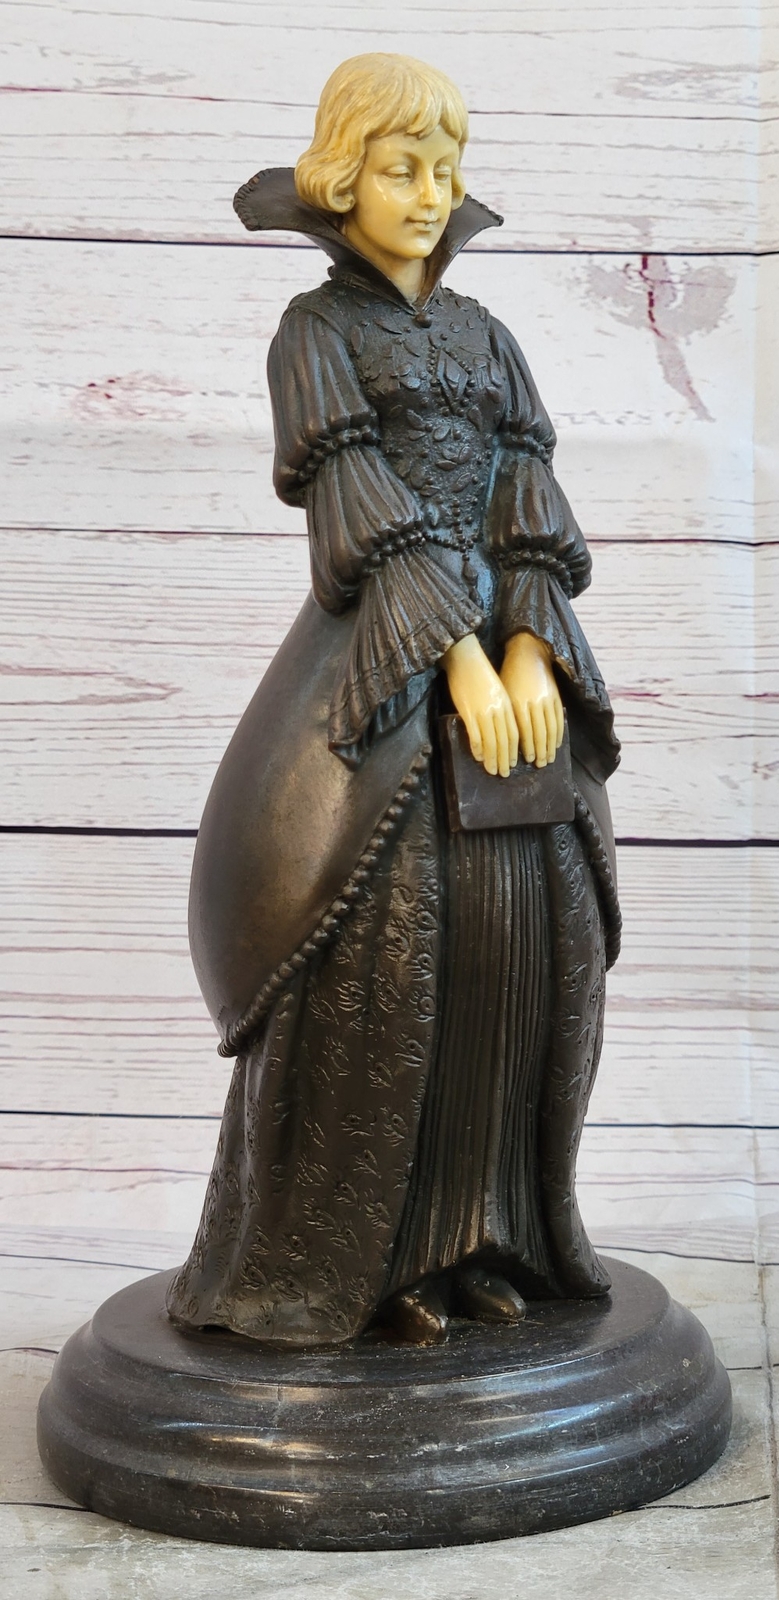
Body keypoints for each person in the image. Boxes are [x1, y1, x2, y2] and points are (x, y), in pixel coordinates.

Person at [167, 53, 622, 1347]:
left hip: (511, 670)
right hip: (380, 661)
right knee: (385, 953)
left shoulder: (488, 336)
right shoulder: (315, 333)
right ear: (341, 175)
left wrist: (526, 647)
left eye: (443, 168)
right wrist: (455, 658)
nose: (427, 193)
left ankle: (490, 1236)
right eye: (399, 167)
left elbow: (528, 494)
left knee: (524, 941)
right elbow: (354, 498)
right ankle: (363, 1264)